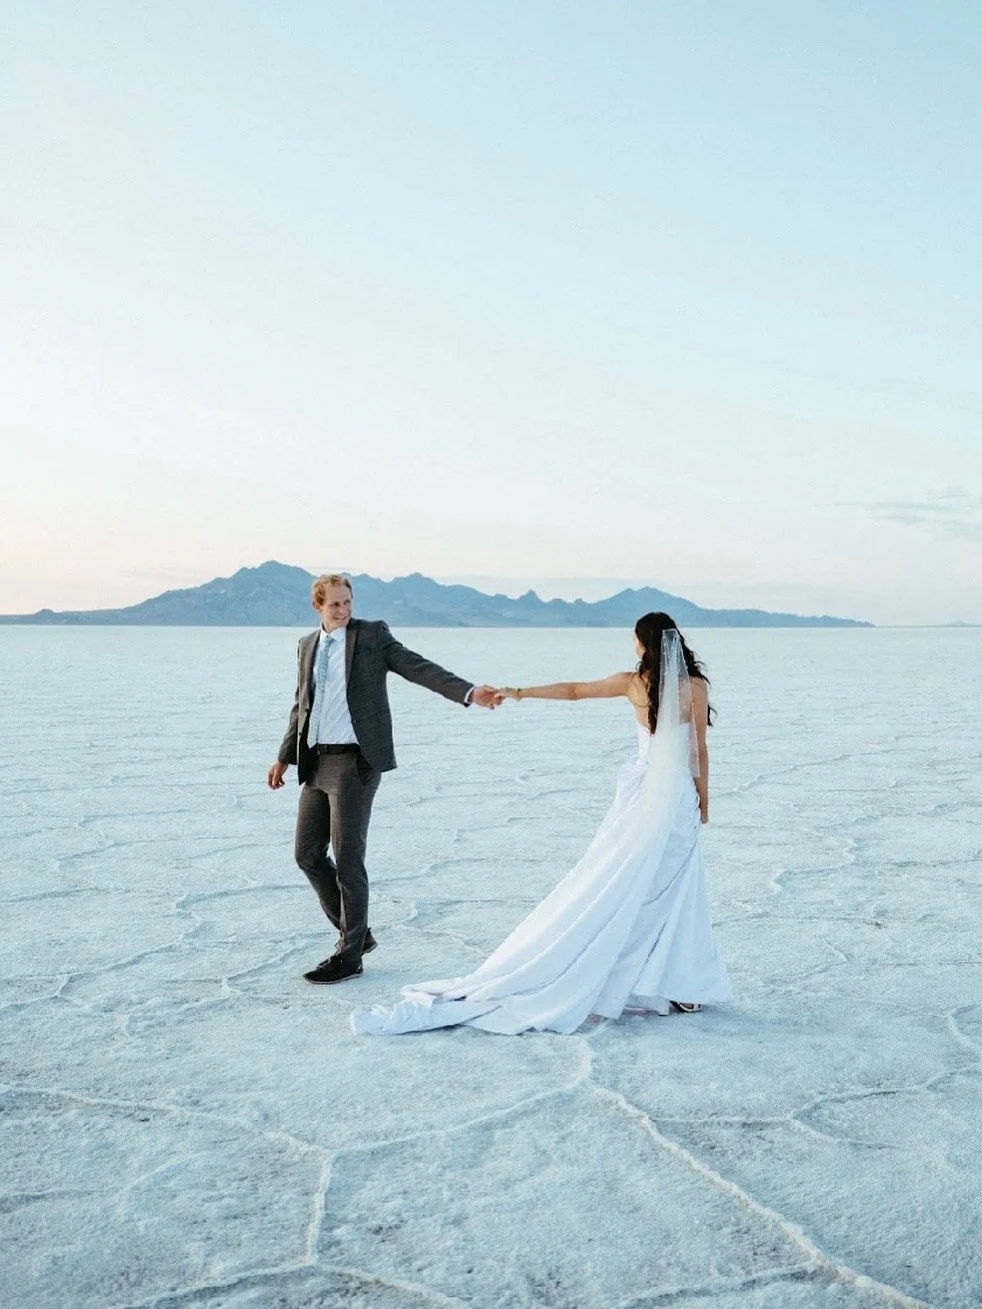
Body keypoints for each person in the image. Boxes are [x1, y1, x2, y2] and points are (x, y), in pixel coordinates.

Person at [351, 611, 732, 1035]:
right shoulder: (695, 687)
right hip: (675, 794)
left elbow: (573, 691)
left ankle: (637, 976)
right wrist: (704, 801)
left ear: (644, 644)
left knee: (624, 880)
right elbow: (699, 750)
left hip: (641, 795)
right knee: (675, 886)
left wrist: (518, 692)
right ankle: (677, 983)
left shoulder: (632, 684)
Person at [268, 573, 502, 985]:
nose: (343, 611)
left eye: (348, 602)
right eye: (334, 605)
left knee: (348, 860)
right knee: (306, 854)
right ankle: (357, 933)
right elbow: (300, 706)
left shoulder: (372, 636)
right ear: (317, 607)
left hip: (355, 764)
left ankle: (350, 954)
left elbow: (418, 668)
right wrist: (284, 757)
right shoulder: (308, 646)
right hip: (316, 763)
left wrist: (468, 692)